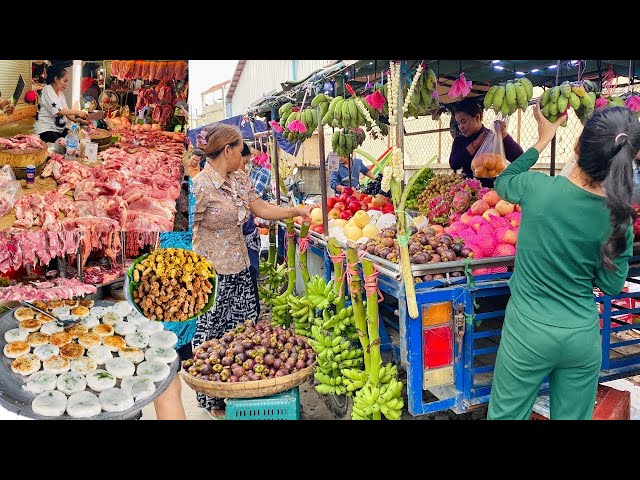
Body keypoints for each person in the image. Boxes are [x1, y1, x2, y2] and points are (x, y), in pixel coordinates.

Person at [487, 104, 640, 420]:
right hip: (580, 339)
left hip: (526, 333)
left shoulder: (538, 188)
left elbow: (504, 180)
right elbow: (611, 285)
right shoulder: (620, 218)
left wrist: (543, 138)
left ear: (577, 146)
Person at [191, 123, 313, 418]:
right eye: (239, 148)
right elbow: (186, 230)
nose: (244, 155)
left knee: (243, 335)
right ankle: (212, 401)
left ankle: (239, 393)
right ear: (228, 150)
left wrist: (295, 212)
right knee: (212, 336)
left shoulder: (239, 178)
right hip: (212, 274)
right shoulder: (200, 186)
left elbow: (260, 208)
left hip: (241, 268)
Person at [448, 99, 523, 187]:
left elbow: (519, 157)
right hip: (468, 190)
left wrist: (503, 134)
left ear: (477, 118)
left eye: (463, 122)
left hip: (492, 190)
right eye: (458, 123)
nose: (461, 127)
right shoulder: (460, 140)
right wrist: (475, 145)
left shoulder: (492, 137)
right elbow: (454, 163)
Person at [33, 64, 89, 143]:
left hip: (58, 130)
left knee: (77, 138)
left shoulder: (61, 94)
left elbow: (67, 113)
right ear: (56, 79)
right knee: (62, 144)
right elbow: (60, 111)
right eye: (64, 81)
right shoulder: (47, 90)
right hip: (45, 130)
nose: (66, 84)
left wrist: (78, 120)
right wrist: (78, 112)